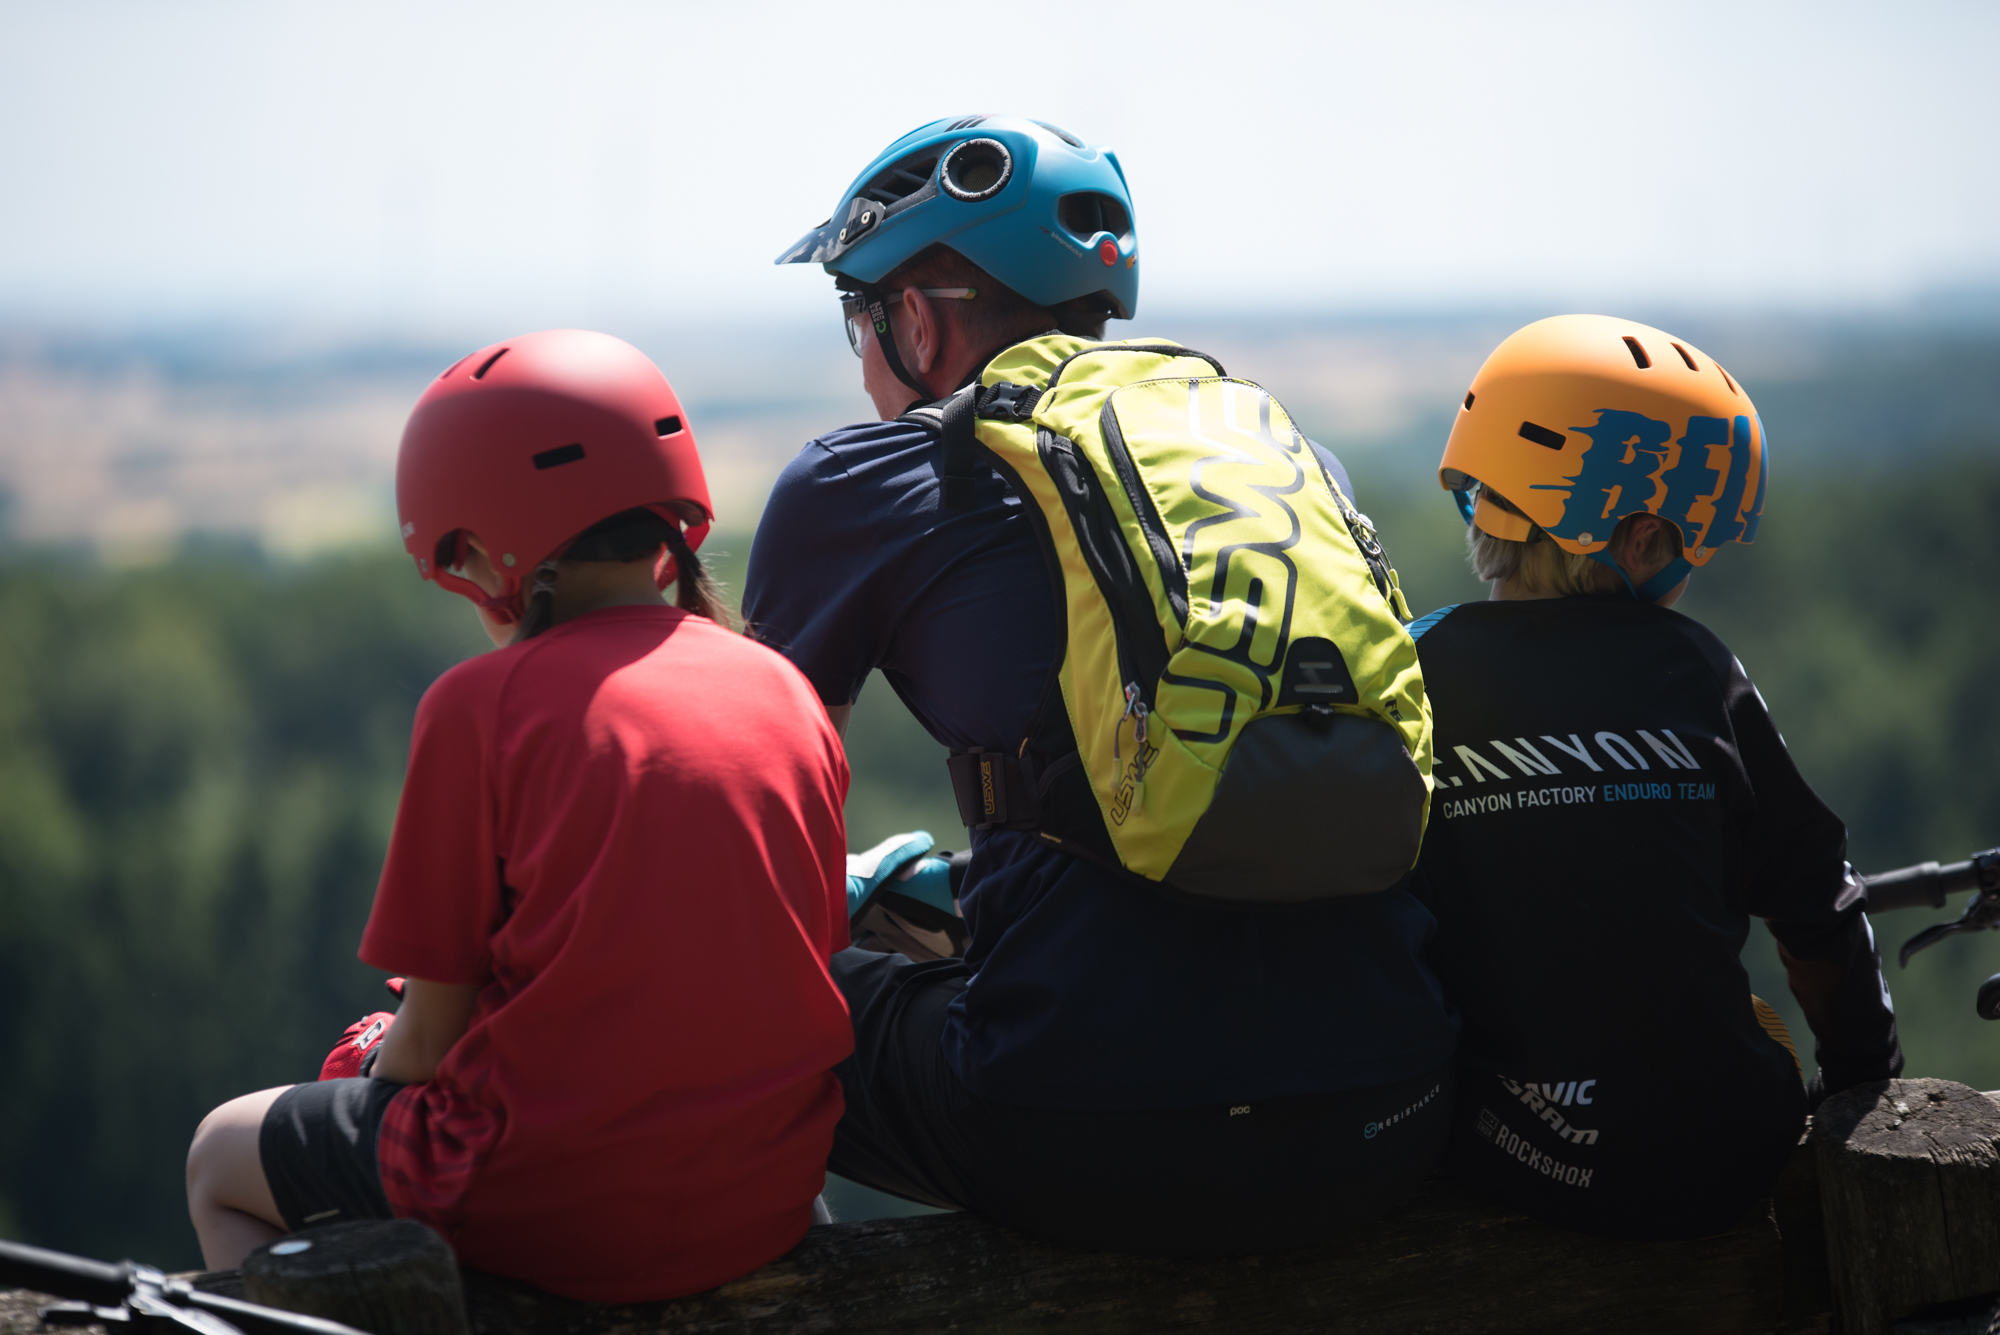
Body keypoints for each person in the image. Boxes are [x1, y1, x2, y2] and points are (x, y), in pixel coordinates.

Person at [747, 115, 1459, 1255]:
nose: (862, 358)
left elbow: (739, 822)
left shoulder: (863, 480)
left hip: (1085, 1140)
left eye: (856, 319)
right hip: (1390, 1111)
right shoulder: (1279, 461)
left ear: (916, 317)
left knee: (746, 999)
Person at [185, 329, 853, 1300]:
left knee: (219, 1155)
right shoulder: (782, 689)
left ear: (484, 543)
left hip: (551, 1209)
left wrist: (374, 1061)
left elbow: (427, 1043)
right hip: (766, 1197)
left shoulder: (479, 706)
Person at [1407, 313, 1902, 1239]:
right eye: (1689, 543)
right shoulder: (1696, 670)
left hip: (1507, 1155)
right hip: (1724, 1154)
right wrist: (1861, 1090)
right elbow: (1818, 908)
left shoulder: (1412, 673)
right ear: (1637, 540)